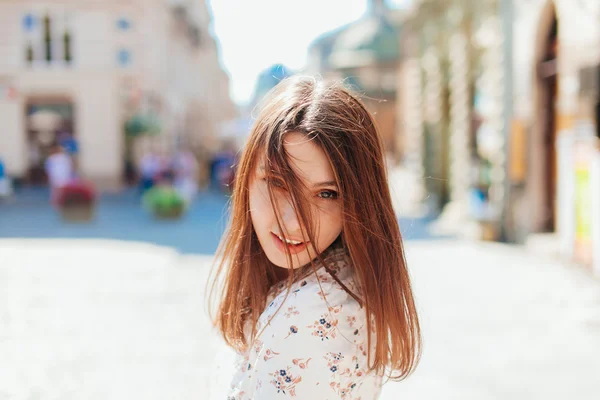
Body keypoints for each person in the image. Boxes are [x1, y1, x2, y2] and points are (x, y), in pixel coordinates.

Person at [208, 76, 421, 399]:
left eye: (326, 193)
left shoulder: (305, 318)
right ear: (247, 177)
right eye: (279, 183)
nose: (294, 223)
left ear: (359, 202)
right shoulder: (346, 279)